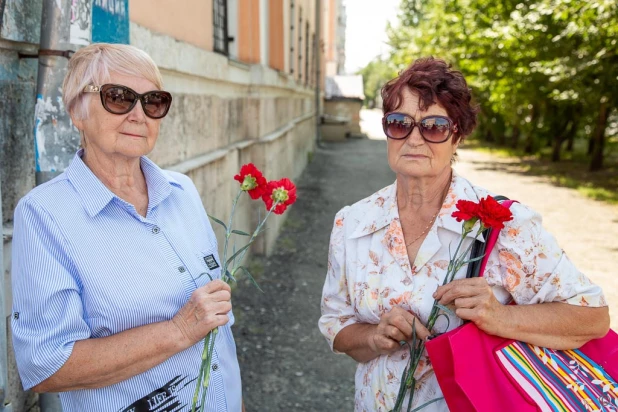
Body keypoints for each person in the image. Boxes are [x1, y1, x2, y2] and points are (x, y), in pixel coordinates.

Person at [318, 57, 610, 411]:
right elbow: (338, 325)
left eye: (434, 126)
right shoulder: (352, 223)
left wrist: (499, 317)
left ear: (457, 135)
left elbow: (592, 317)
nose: (413, 138)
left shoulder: (504, 224)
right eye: (398, 123)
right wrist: (375, 337)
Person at [11, 43, 243, 411]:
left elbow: (217, 329)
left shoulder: (182, 191)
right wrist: (178, 331)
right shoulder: (44, 215)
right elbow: (46, 364)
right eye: (118, 98)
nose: (139, 114)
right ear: (76, 111)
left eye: (153, 101)